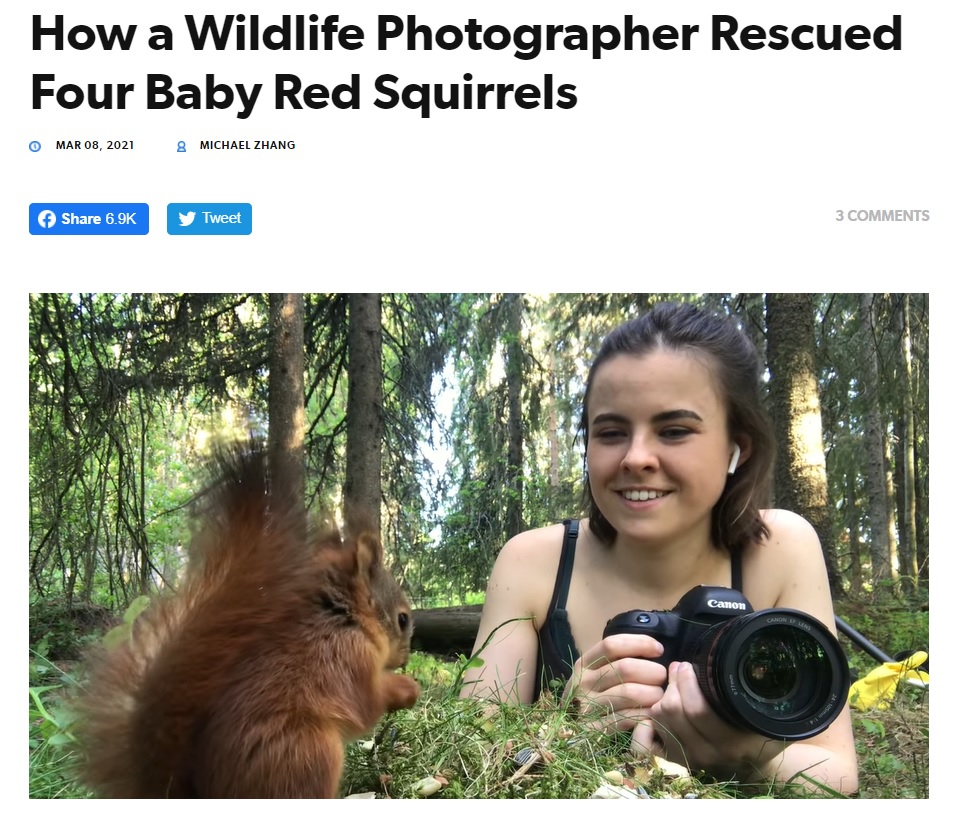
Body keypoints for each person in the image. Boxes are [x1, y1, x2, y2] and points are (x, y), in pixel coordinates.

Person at [459, 301, 858, 795]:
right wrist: (565, 725)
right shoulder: (533, 561)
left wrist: (745, 754)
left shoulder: (779, 548)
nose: (636, 457)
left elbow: (839, 772)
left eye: (674, 431)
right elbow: (464, 752)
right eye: (610, 432)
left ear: (739, 446)